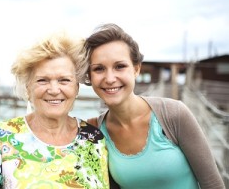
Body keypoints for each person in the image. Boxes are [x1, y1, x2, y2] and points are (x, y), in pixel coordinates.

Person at [84, 23, 225, 189]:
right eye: (99, 69)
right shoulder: (94, 132)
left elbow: (213, 185)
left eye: (120, 66)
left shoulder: (173, 115)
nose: (109, 78)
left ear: (136, 69)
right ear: (89, 76)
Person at [0, 31, 109, 189]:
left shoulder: (93, 139)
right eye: (42, 80)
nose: (54, 89)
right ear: (28, 88)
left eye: (64, 80)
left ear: (76, 88)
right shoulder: (0, 136)